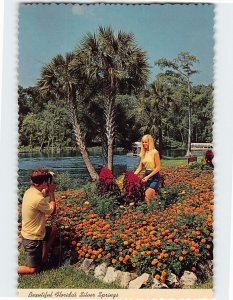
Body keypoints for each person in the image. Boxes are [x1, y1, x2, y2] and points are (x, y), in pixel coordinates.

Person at [18, 169, 57, 275]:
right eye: (47, 181)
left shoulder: (29, 191)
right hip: (32, 239)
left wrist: (45, 192)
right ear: (44, 183)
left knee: (53, 230)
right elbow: (52, 211)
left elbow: (40, 197)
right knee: (34, 270)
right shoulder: (38, 199)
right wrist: (52, 193)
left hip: (36, 232)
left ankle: (43, 257)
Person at [134, 134, 161, 204]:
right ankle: (158, 210)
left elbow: (158, 167)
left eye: (146, 142)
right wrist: (132, 176)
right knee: (153, 197)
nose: (144, 144)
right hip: (146, 176)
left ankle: (149, 213)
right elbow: (140, 167)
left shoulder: (155, 152)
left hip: (154, 177)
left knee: (146, 196)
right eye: (143, 142)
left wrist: (148, 176)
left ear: (150, 142)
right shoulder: (143, 153)